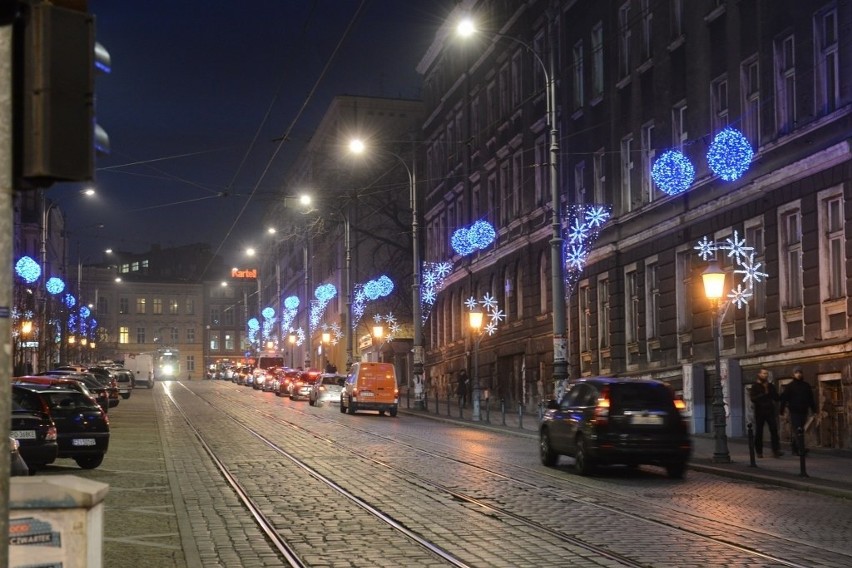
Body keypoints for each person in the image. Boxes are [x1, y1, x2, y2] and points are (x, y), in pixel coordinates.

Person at [780, 368, 817, 456]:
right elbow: (784, 399)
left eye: (800, 372)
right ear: (793, 374)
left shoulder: (806, 385)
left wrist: (814, 410)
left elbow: (811, 399)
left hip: (804, 411)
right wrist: (781, 411)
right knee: (798, 430)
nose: (798, 374)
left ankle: (794, 448)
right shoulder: (790, 386)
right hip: (794, 411)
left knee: (801, 430)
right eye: (796, 373)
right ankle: (801, 449)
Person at [749, 368, 783, 458]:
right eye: (763, 373)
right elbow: (753, 398)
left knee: (774, 430)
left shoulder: (770, 386)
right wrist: (764, 394)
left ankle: (776, 450)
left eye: (766, 374)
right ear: (759, 374)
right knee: (759, 432)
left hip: (770, 411)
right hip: (760, 411)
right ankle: (759, 451)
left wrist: (778, 394)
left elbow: (776, 397)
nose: (765, 375)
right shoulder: (755, 386)